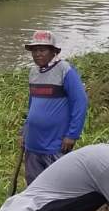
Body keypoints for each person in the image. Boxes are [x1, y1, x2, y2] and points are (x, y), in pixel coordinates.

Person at [19, 30, 87, 184]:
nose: (37, 54)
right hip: (33, 143)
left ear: (53, 52)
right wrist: (24, 132)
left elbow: (80, 102)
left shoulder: (65, 70)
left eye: (42, 50)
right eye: (34, 50)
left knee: (58, 186)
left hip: (56, 145)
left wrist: (72, 134)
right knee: (34, 186)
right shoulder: (33, 72)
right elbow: (32, 104)